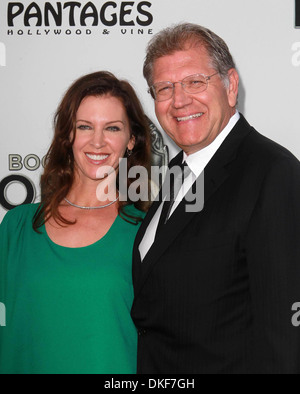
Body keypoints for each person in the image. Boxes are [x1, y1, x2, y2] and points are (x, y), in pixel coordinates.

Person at [131, 23, 300, 374]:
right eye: (164, 88)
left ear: (231, 85)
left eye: (195, 82)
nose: (179, 100)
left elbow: (285, 333)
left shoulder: (273, 174)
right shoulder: (181, 169)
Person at [0, 71, 151, 374]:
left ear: (131, 139)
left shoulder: (149, 231)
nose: (97, 141)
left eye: (112, 127)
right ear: (68, 135)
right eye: (85, 126)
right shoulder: (16, 227)